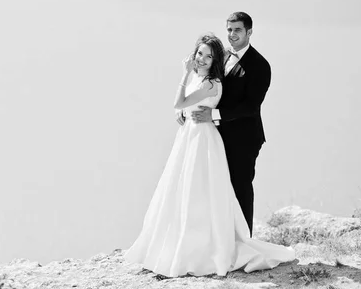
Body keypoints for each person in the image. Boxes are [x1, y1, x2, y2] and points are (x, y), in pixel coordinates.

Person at [124, 32, 294, 277]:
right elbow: (184, 106)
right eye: (199, 54)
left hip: (206, 138)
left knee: (206, 190)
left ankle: (212, 244)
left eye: (208, 56)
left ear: (248, 31)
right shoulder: (206, 75)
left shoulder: (215, 80)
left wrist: (184, 76)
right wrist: (182, 112)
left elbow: (184, 101)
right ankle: (183, 241)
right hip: (191, 136)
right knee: (186, 191)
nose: (202, 59)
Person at [189, 12, 269, 236]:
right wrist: (187, 111)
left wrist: (214, 115)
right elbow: (205, 86)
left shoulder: (260, 65)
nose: (232, 35)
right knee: (216, 186)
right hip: (216, 134)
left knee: (240, 187)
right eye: (229, 30)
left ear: (249, 32)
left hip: (244, 138)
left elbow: (251, 106)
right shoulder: (221, 55)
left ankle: (244, 240)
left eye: (237, 30)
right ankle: (220, 238)